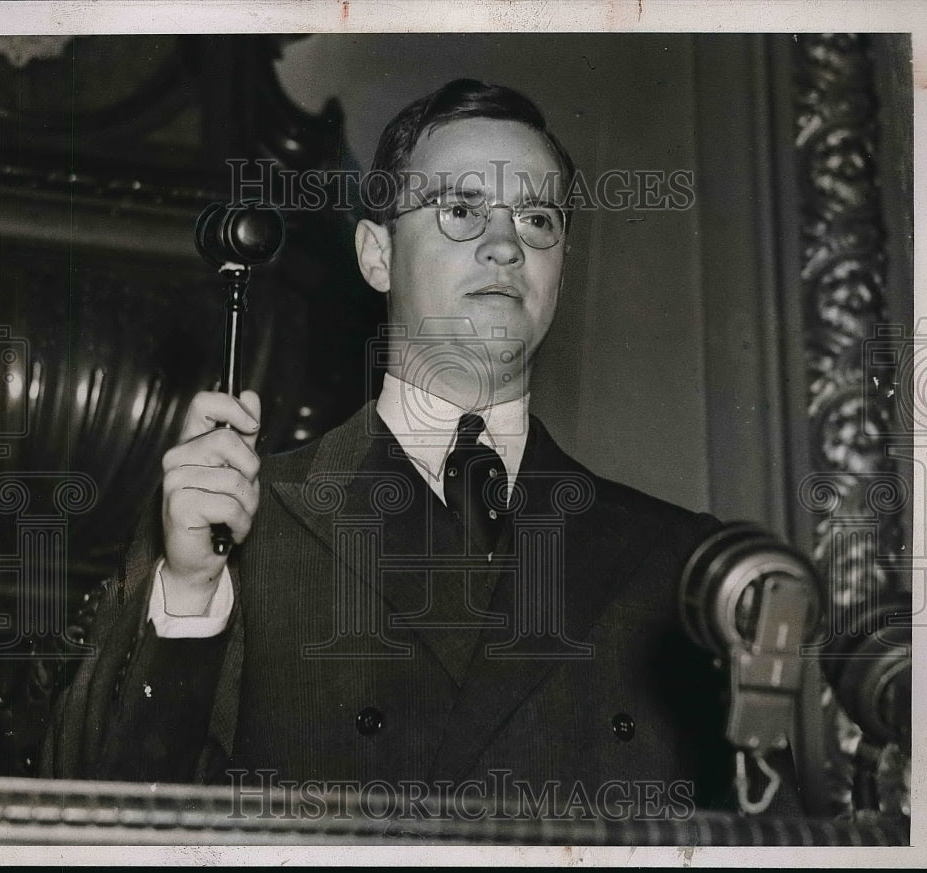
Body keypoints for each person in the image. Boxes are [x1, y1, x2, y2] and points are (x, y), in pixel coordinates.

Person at [42, 79, 737, 814]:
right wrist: (185, 596)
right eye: (461, 210)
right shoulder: (235, 523)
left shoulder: (677, 561)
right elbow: (86, 813)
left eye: (537, 218)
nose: (505, 245)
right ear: (377, 255)